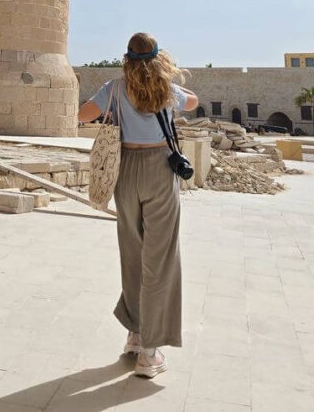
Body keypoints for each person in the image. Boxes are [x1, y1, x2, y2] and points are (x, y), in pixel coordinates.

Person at [77, 32, 199, 378]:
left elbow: (84, 115)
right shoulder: (167, 89)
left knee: (132, 252)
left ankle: (134, 333)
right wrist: (168, 81)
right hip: (160, 169)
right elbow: (193, 102)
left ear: (127, 59)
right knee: (159, 257)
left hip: (126, 169)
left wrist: (111, 105)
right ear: (159, 59)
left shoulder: (115, 88)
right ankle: (149, 352)